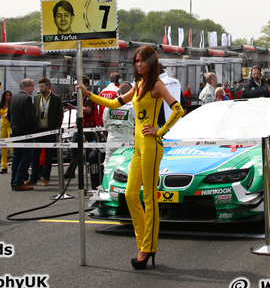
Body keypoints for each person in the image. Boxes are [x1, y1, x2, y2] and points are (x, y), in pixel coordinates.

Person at [79, 45, 184, 269]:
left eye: (142, 61)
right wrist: (90, 96)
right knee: (130, 195)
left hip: (151, 145)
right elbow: (115, 103)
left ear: (151, 63)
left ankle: (147, 248)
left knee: (149, 198)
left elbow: (178, 110)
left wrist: (160, 130)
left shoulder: (157, 84)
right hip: (137, 146)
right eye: (135, 61)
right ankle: (143, 242)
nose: (138, 64)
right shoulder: (138, 86)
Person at [27, 78, 63, 187]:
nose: (40, 88)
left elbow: (60, 115)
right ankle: (33, 177)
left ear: (48, 87)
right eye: (39, 86)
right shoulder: (37, 97)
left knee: (48, 156)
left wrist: (56, 128)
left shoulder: (56, 98)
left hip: (50, 130)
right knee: (35, 155)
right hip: (39, 130)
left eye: (42, 86)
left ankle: (46, 177)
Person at [7, 78, 38, 191]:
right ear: (26, 87)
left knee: (16, 157)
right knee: (25, 158)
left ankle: (14, 180)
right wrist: (33, 132)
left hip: (15, 133)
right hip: (25, 134)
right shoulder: (27, 99)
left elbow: (9, 115)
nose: (33, 89)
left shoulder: (13, 98)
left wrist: (13, 127)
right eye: (32, 86)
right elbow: (30, 118)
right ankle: (19, 181)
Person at [101, 82, 136, 172]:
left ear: (118, 92)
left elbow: (105, 122)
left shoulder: (111, 104)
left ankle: (107, 184)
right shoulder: (133, 106)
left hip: (112, 137)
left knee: (109, 163)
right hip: (127, 137)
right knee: (127, 164)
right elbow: (137, 123)